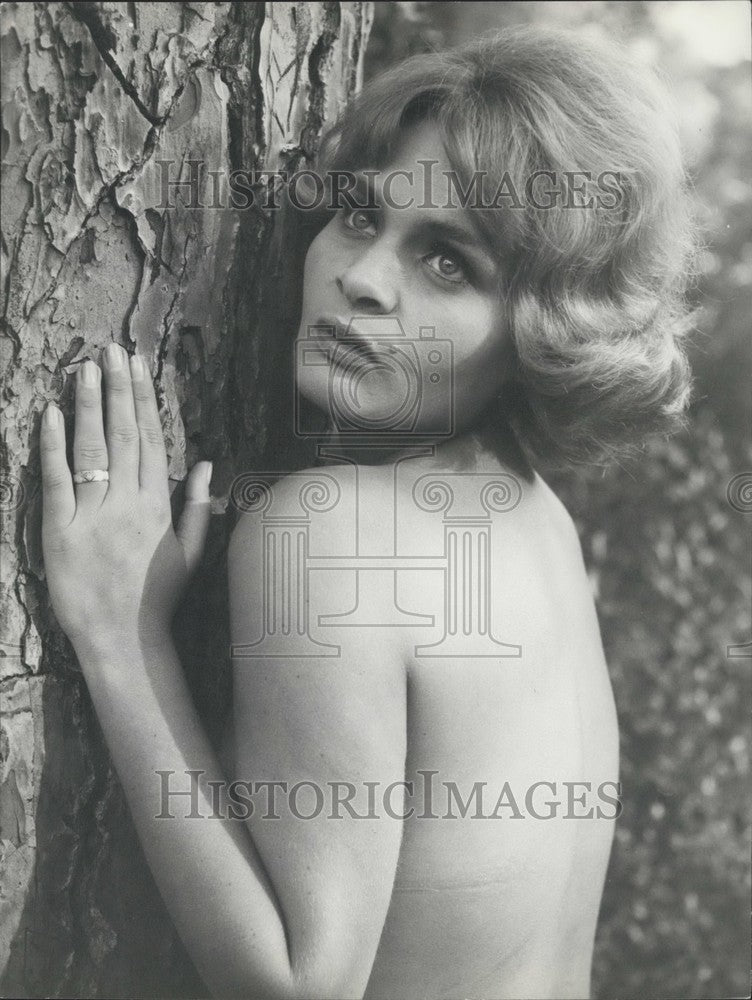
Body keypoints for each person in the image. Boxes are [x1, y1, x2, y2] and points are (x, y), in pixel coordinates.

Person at [40, 25, 694, 1000]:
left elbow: (299, 985)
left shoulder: (331, 527)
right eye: (357, 215)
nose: (361, 279)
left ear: (542, 328)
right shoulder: (537, 523)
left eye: (446, 263)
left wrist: (122, 633)